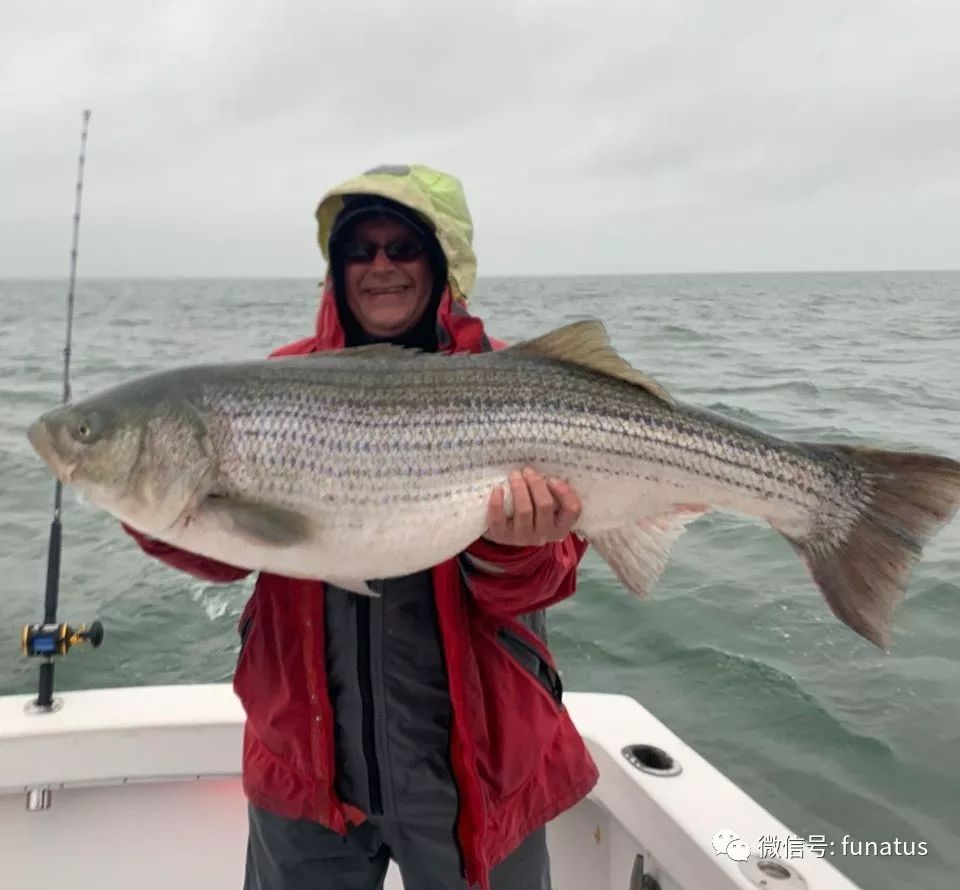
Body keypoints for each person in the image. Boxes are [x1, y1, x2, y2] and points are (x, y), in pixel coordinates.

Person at [122, 164, 599, 890]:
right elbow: (228, 555)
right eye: (360, 249)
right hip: (307, 766)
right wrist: (160, 504)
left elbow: (552, 572)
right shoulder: (270, 388)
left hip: (480, 764)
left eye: (403, 247)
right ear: (335, 266)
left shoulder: (514, 384)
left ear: (442, 264)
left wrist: (515, 545)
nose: (380, 266)